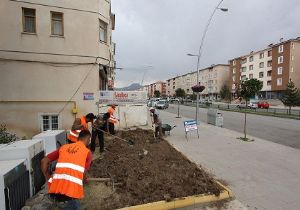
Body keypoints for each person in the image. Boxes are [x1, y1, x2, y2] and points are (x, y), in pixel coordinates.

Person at [41, 130, 93, 210]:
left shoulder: (63, 147)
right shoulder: (87, 153)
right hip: (71, 194)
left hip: (54, 191)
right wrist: (85, 180)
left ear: (78, 138)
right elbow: (83, 174)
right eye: (89, 140)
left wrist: (48, 179)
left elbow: (44, 161)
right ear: (88, 139)